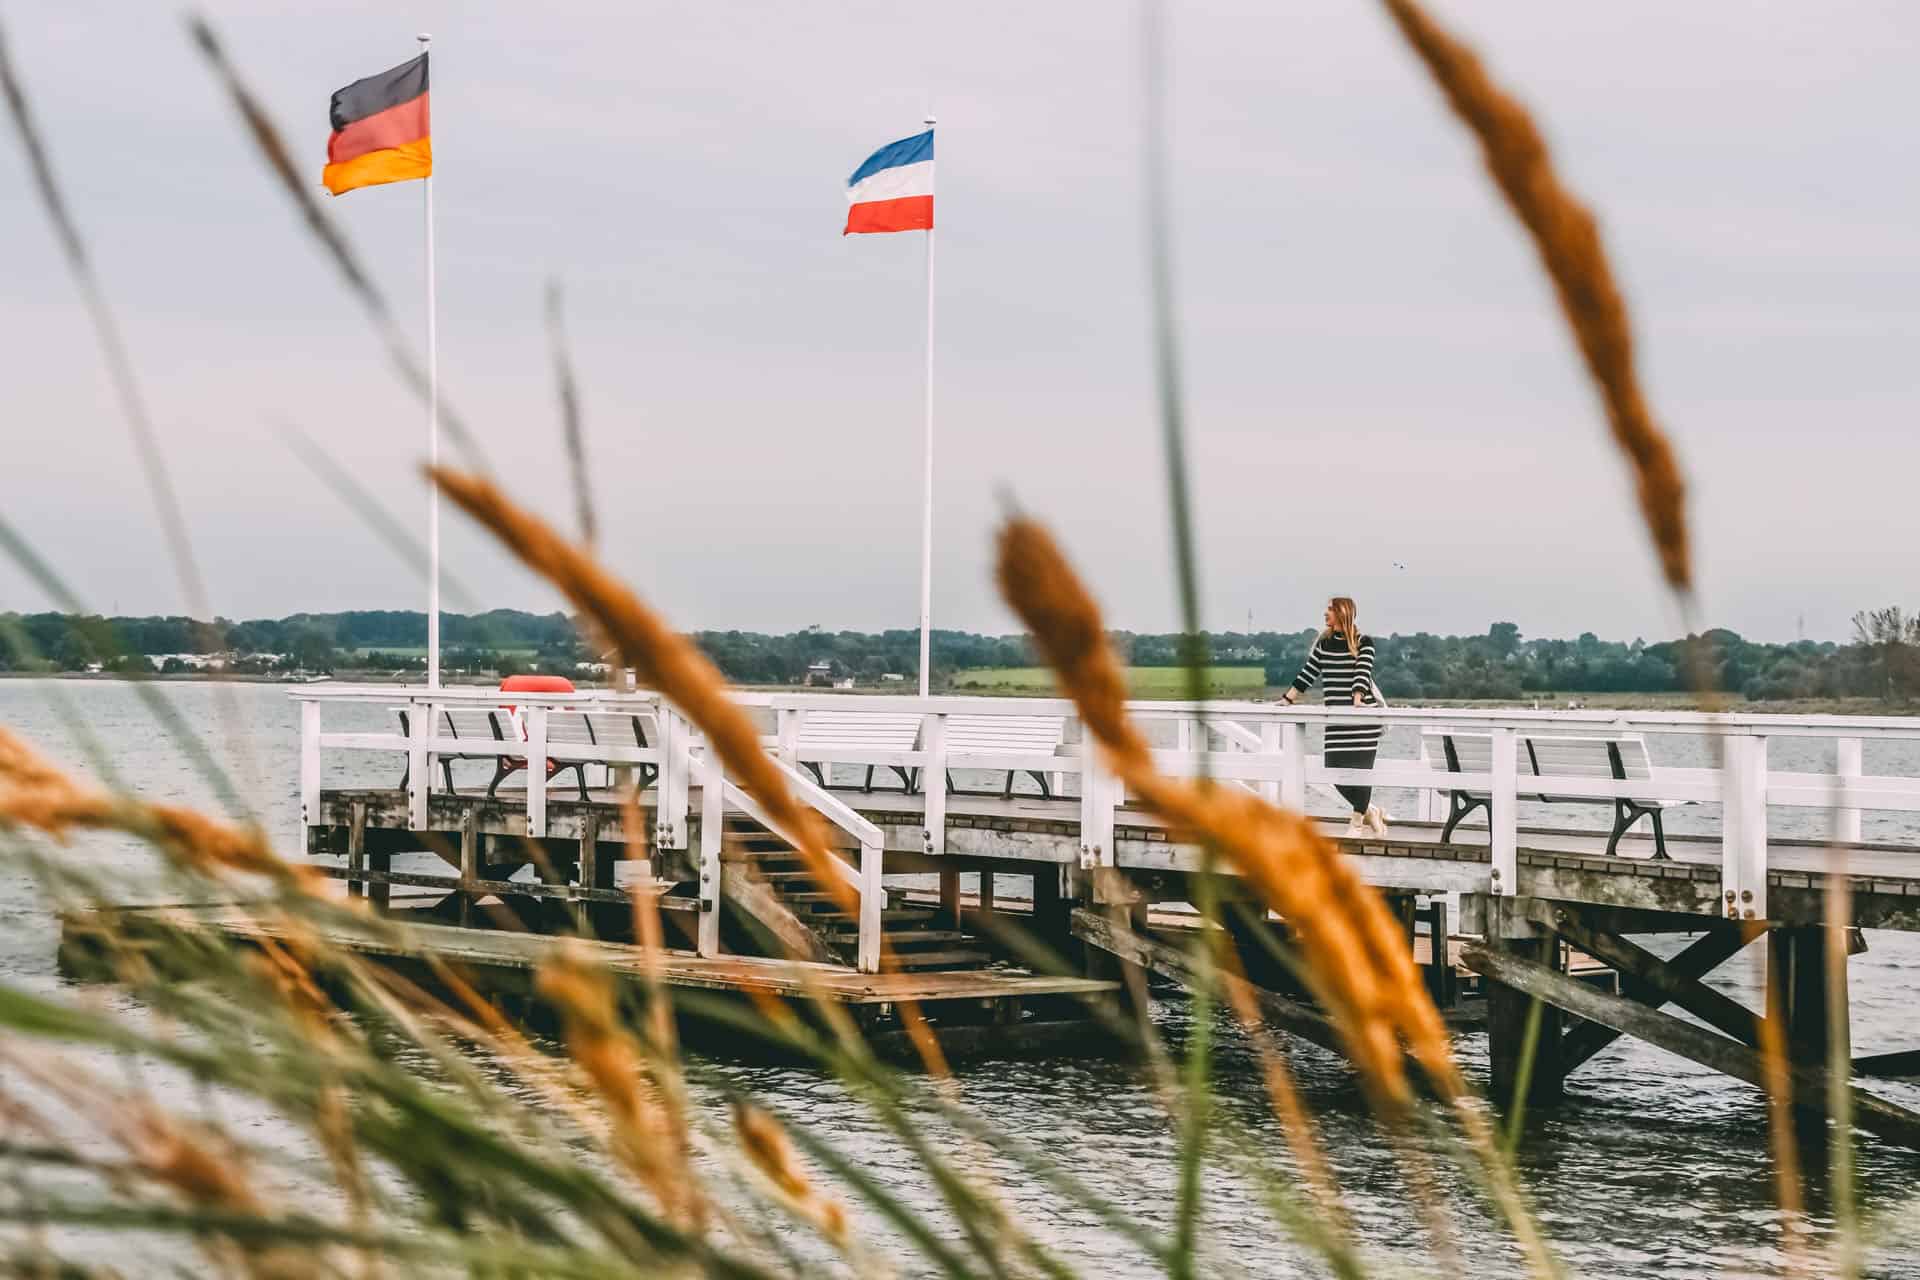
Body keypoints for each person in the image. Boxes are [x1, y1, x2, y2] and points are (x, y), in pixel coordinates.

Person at [1281, 597, 1387, 837]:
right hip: (1337, 720)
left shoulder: (1364, 643)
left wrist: (1358, 700)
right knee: (1333, 769)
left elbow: (1363, 671)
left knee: (1361, 773)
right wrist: (1288, 698)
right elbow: (1308, 673)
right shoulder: (1325, 644)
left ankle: (1357, 822)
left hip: (1363, 719)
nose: (1325, 614)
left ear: (1342, 613)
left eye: (1329, 610)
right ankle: (1371, 811)